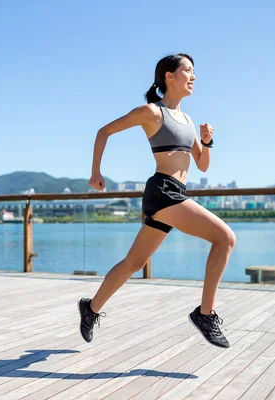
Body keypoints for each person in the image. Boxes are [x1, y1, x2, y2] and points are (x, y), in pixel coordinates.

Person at [78, 53, 236, 348]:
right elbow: (104, 131)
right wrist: (95, 172)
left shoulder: (188, 121)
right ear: (169, 76)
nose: (194, 76)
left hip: (175, 193)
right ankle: (205, 313)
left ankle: (91, 308)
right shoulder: (152, 112)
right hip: (163, 191)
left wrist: (206, 141)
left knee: (133, 262)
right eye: (188, 70)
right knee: (225, 238)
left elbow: (202, 165)